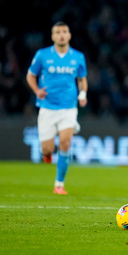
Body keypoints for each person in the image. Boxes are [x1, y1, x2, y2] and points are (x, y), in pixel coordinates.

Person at [26, 21, 88, 195]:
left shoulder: (78, 57)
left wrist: (82, 95)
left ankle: (59, 184)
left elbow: (82, 79)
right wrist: (37, 90)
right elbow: (30, 75)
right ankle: (46, 154)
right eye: (58, 32)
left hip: (69, 106)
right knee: (47, 149)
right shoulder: (42, 55)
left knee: (65, 142)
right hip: (47, 106)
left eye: (65, 31)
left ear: (69, 35)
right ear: (53, 36)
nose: (61, 34)